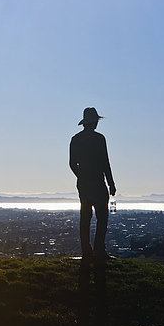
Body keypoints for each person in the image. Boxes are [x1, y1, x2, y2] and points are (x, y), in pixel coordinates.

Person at [69, 107, 116, 263]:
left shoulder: (76, 139)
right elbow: (105, 162)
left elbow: (72, 163)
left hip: (83, 184)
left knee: (85, 217)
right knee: (102, 217)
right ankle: (99, 250)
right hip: (97, 182)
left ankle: (86, 251)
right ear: (94, 122)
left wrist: (81, 176)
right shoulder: (99, 139)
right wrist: (111, 183)